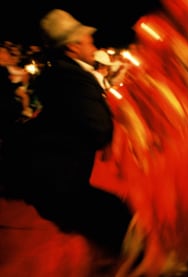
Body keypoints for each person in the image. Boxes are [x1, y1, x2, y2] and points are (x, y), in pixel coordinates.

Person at [3, 9, 133, 256]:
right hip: (59, 179)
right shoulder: (72, 78)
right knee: (119, 218)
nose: (93, 44)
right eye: (88, 40)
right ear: (73, 47)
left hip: (51, 172)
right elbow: (99, 129)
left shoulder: (60, 73)